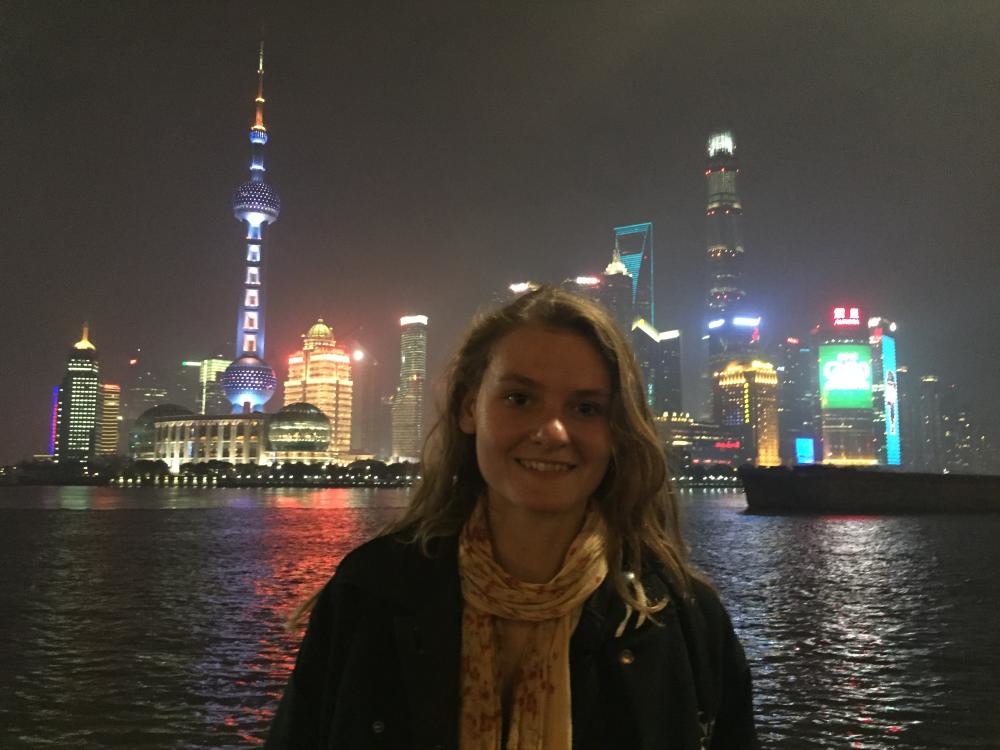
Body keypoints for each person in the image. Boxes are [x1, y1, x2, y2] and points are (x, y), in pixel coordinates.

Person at [265, 286, 758, 749]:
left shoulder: (684, 620)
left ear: (618, 430)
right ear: (469, 408)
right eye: (519, 399)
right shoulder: (370, 594)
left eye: (586, 408)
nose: (552, 432)